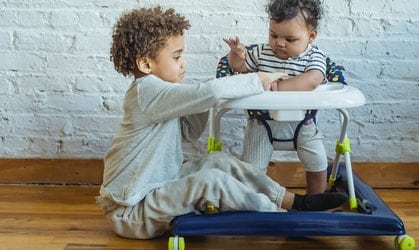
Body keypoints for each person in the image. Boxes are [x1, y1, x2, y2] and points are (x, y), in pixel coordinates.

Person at [96, 6, 348, 239]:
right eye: (176, 57)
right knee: (210, 180)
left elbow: (191, 132)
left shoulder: (162, 93)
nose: (183, 62)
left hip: (159, 187)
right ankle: (275, 212)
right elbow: (211, 93)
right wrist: (258, 79)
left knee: (218, 161)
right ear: (145, 64)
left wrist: (200, 98)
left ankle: (291, 200)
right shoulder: (146, 91)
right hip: (132, 209)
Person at [224, 0, 329, 194]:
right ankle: (254, 199)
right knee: (251, 167)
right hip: (262, 121)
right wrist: (237, 55)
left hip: (302, 122)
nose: (279, 43)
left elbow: (313, 80)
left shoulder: (314, 56)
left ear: (311, 36)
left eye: (289, 39)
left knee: (318, 161)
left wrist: (279, 87)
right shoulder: (262, 52)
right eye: (273, 35)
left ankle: (316, 198)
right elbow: (240, 68)